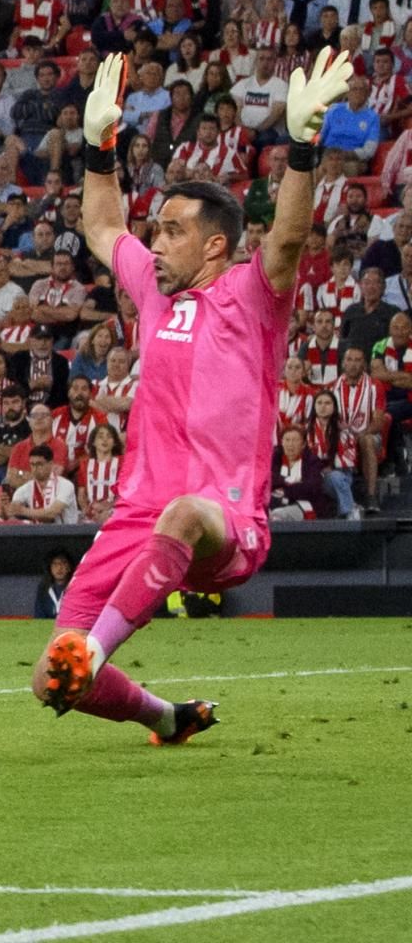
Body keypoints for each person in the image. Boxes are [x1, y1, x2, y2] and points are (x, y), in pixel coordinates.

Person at [34, 49, 354, 746]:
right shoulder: (154, 288)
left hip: (223, 518)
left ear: (214, 246)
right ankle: (167, 717)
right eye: (157, 229)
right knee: (50, 680)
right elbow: (102, 226)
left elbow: (288, 240)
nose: (156, 242)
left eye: (172, 231)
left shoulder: (252, 294)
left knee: (178, 519)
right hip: (136, 514)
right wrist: (98, 148)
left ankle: (96, 649)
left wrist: (302, 148)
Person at [35, 550, 72, 620]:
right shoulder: (43, 590)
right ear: (50, 568)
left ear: (69, 567)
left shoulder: (76, 588)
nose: (59, 568)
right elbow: (39, 617)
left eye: (63, 563)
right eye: (55, 564)